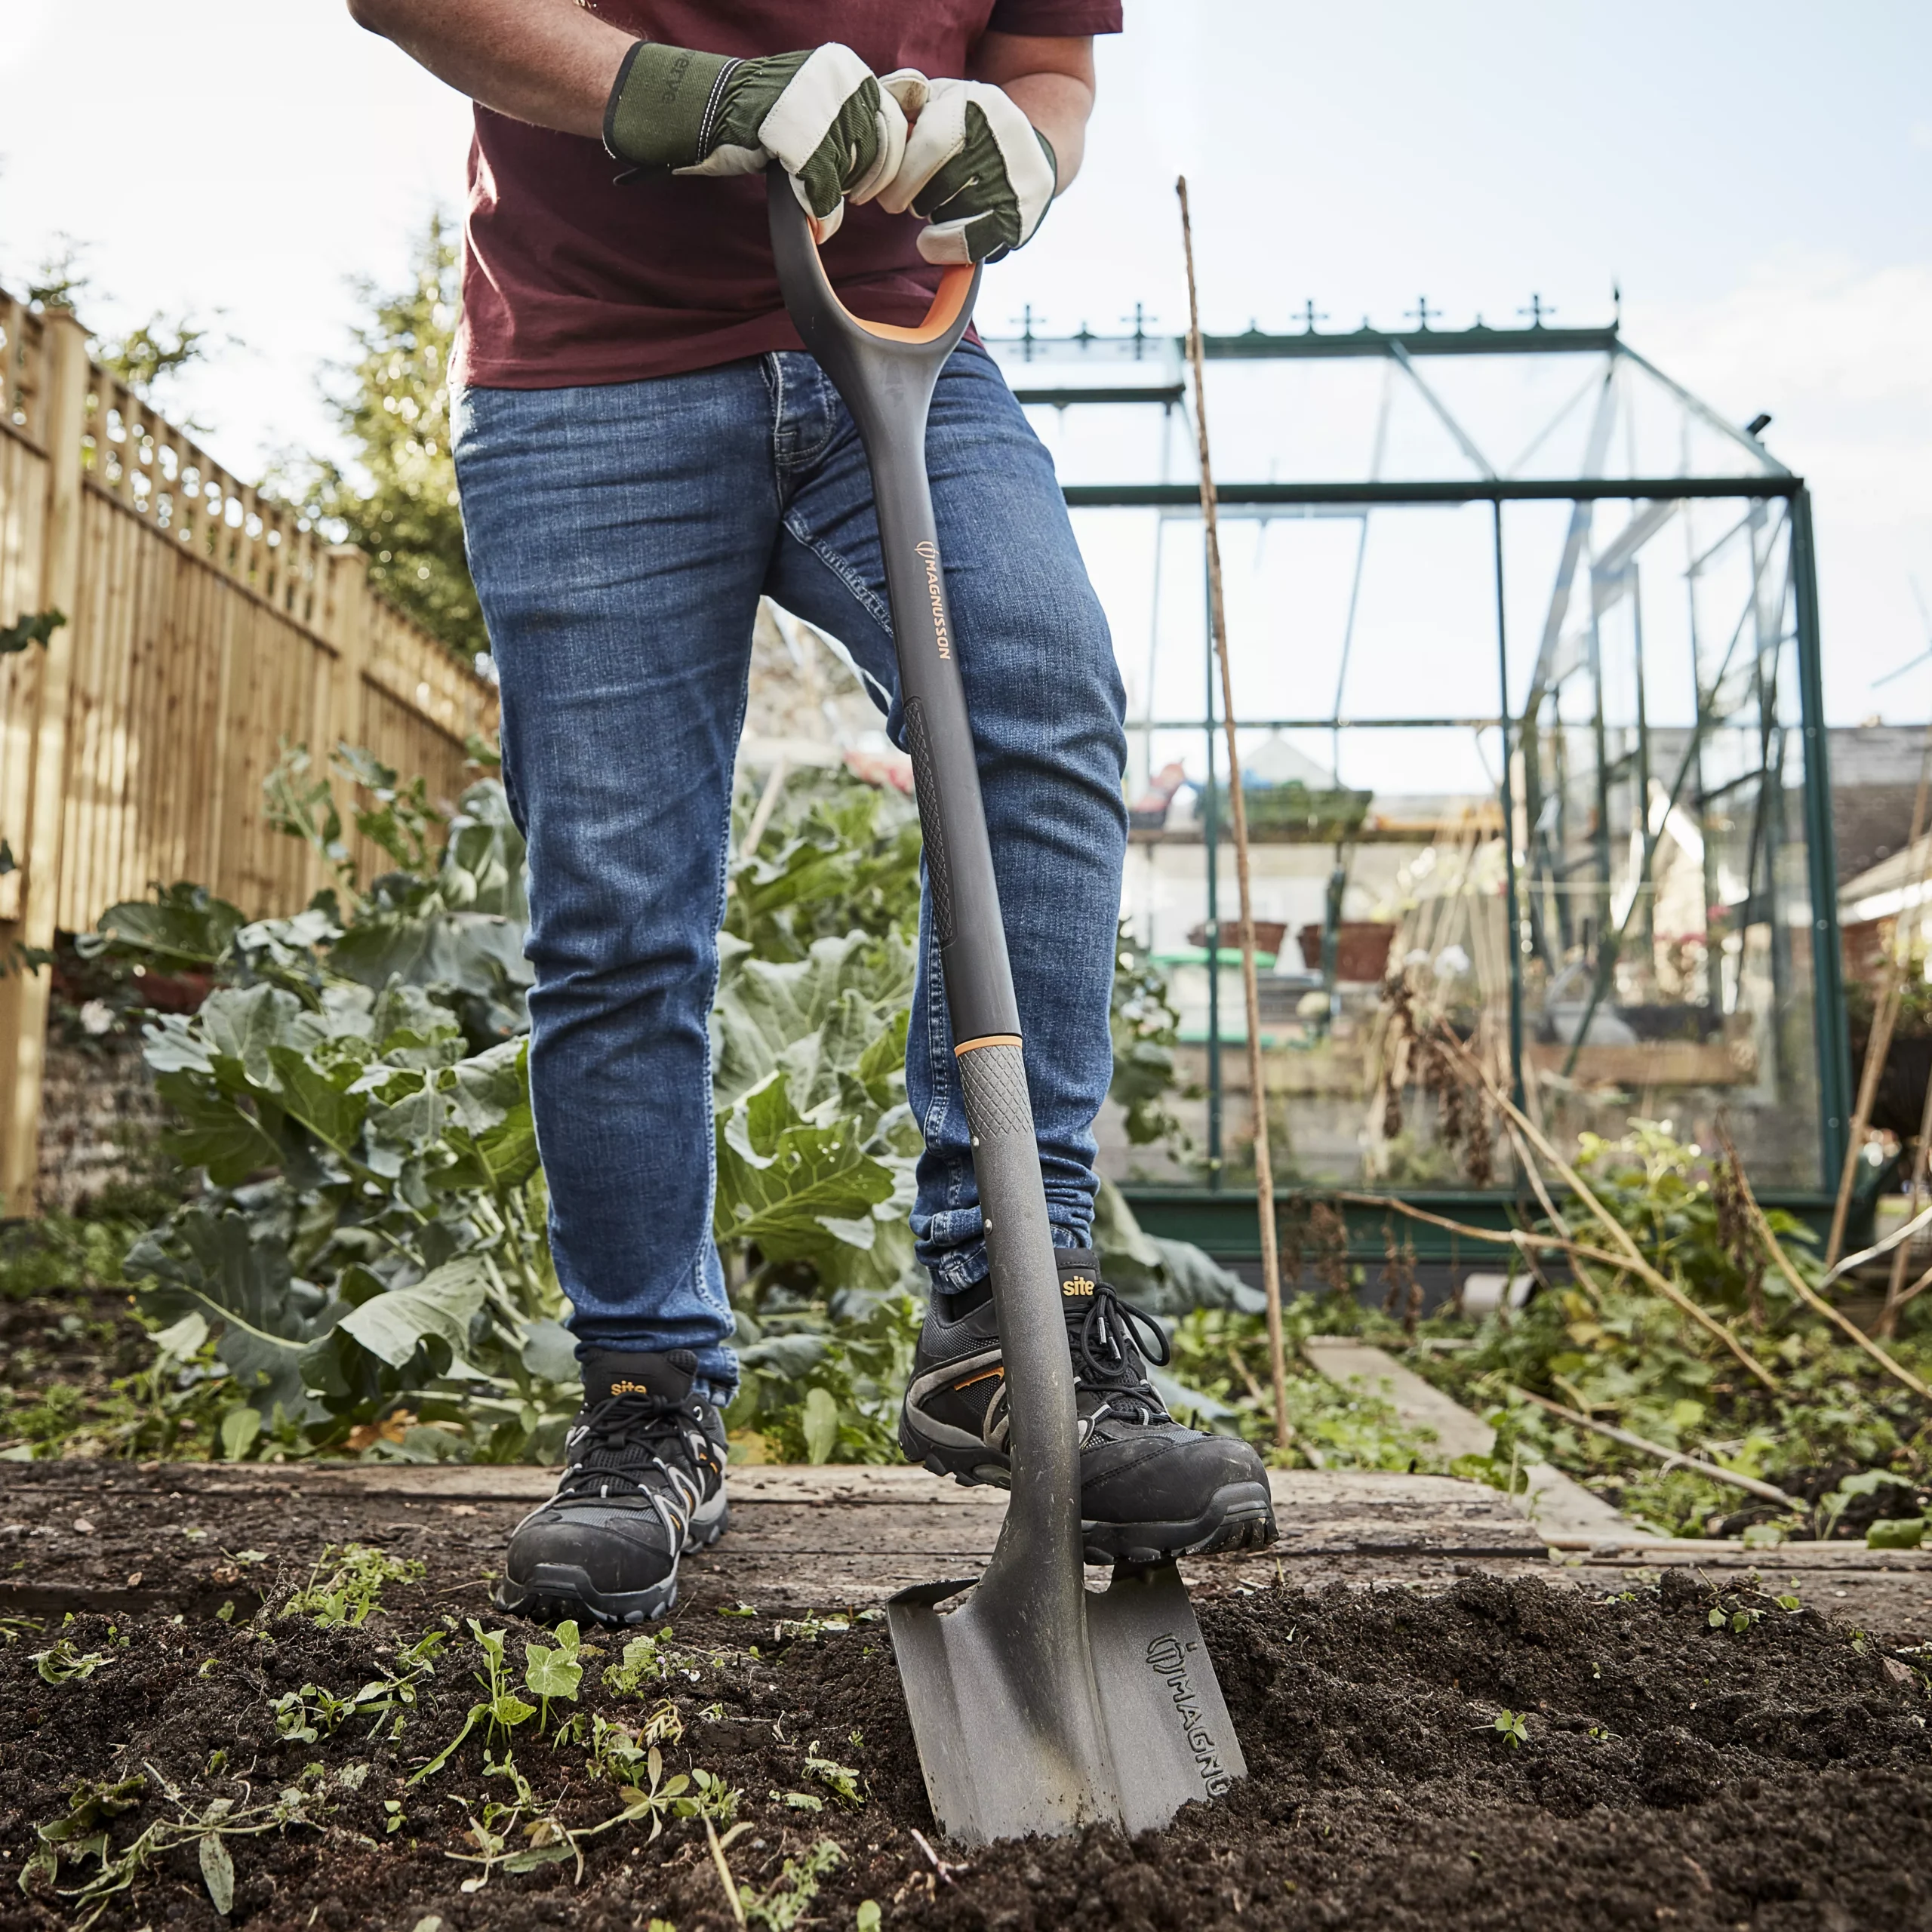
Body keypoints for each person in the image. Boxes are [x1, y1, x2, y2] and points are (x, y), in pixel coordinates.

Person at [346, 0, 1278, 1626]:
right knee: (619, 905)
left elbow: (1048, 59)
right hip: (588, 364)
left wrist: (1026, 143)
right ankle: (647, 1401)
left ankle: (1009, 1319)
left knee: (1038, 701)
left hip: (901, 343)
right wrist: (685, 95)